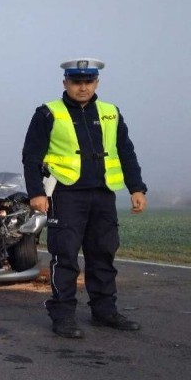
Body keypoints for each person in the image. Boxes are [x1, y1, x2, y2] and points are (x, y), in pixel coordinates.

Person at [22, 58, 147, 339]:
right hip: (66, 195)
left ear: (96, 83)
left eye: (88, 82)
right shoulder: (47, 113)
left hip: (103, 195)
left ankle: (104, 312)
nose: (83, 87)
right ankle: (63, 316)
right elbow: (31, 156)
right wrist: (37, 194)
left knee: (103, 254)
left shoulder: (111, 113)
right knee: (65, 256)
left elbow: (126, 152)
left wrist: (137, 188)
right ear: (65, 83)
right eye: (76, 82)